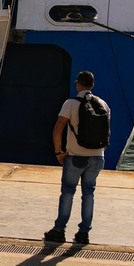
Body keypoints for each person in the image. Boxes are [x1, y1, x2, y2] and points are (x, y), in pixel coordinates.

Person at [45, 71, 107, 245]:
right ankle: (83, 233)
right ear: (92, 85)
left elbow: (58, 128)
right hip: (97, 157)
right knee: (88, 194)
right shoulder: (103, 104)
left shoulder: (70, 103)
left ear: (78, 84)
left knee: (68, 192)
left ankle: (59, 230)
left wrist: (59, 152)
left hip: (75, 157)